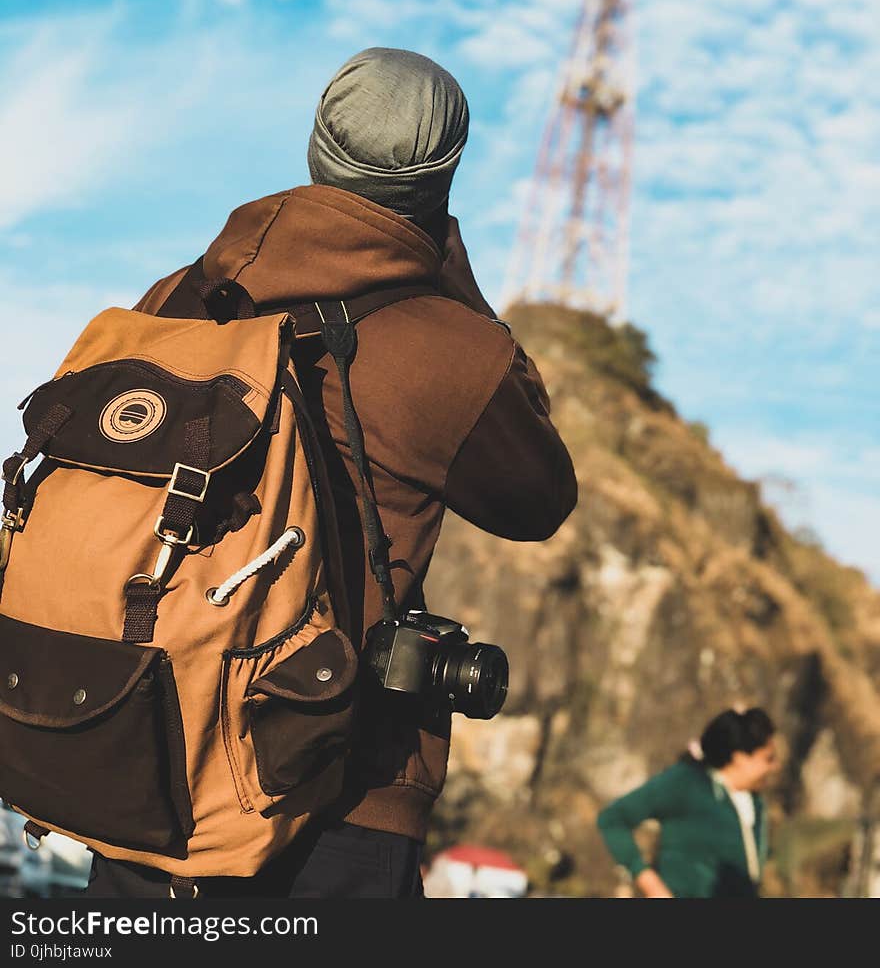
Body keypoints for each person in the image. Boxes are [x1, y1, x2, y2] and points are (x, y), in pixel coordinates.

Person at [85, 47, 578, 898]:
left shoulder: (175, 298)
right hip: (333, 797)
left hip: (147, 764)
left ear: (316, 147)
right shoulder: (446, 347)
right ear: (442, 179)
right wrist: (459, 283)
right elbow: (540, 498)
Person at [597, 707, 780, 899]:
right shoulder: (687, 782)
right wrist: (652, 885)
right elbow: (612, 819)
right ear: (739, 758)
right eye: (768, 759)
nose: (775, 767)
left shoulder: (755, 804)